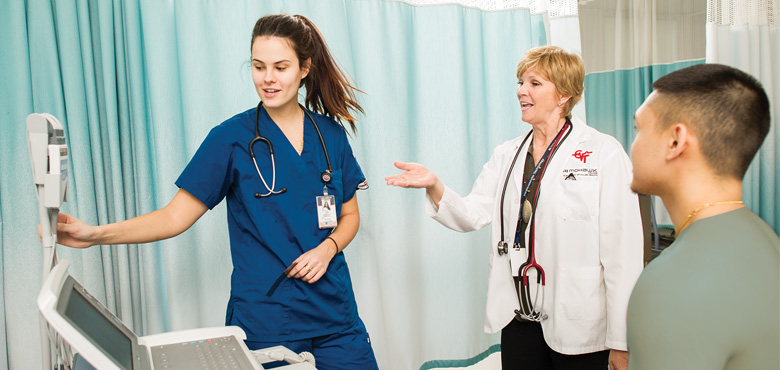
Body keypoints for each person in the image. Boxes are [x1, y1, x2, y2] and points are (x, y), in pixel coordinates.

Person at [54, 14, 377, 370]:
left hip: (335, 317)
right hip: (268, 320)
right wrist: (94, 235)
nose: (268, 78)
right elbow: (174, 217)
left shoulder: (330, 135)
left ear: (304, 69)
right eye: (258, 66)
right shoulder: (230, 139)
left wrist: (327, 248)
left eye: (280, 67)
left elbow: (349, 215)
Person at [385, 45, 643, 370]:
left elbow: (624, 254)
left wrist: (621, 342)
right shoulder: (507, 155)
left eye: (534, 83)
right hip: (519, 316)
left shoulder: (602, 153)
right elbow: (472, 213)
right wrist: (435, 186)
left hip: (579, 321)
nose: (521, 91)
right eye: (520, 82)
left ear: (563, 94)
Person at [626, 64, 779, 369]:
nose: (633, 144)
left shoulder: (672, 282)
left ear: (675, 141)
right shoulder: (765, 239)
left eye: (638, 128)